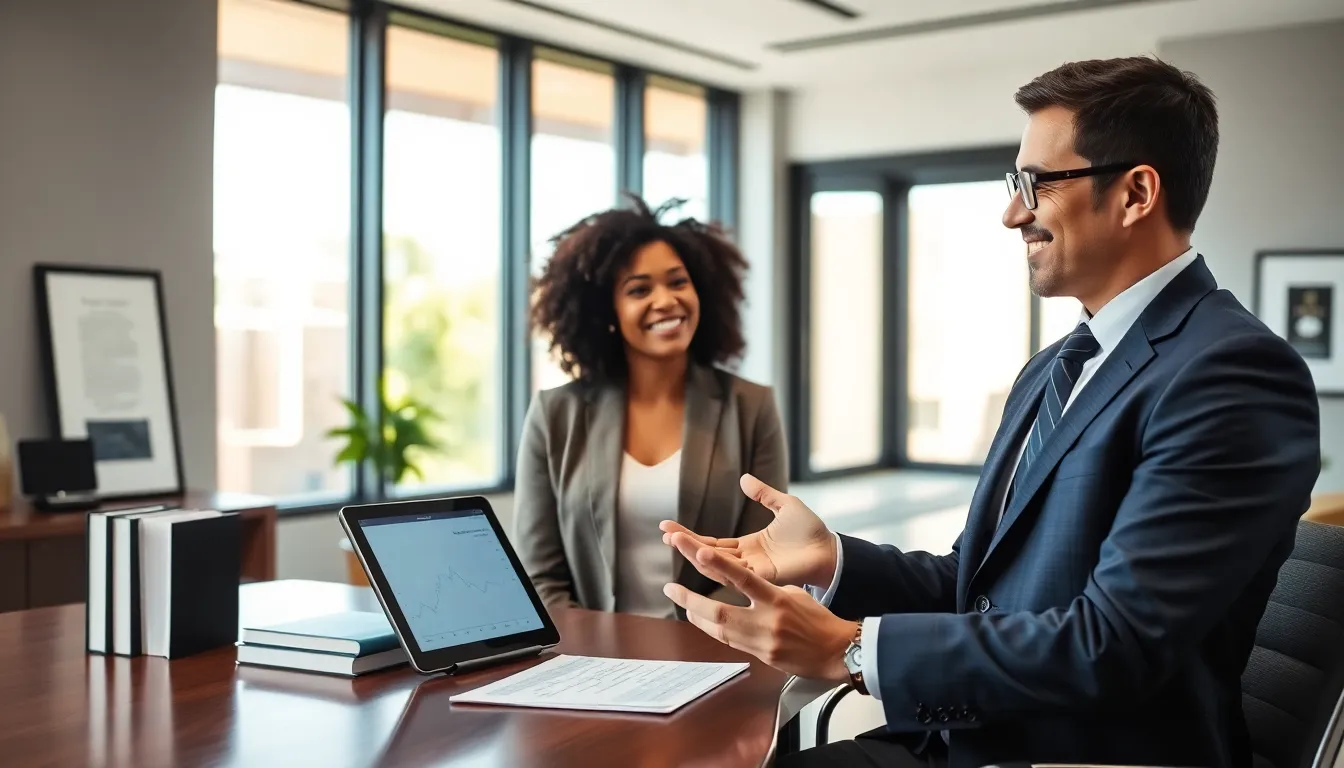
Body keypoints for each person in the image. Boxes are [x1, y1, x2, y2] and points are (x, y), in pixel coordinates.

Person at [660, 56, 1321, 768]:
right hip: (970, 739)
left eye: (1034, 184)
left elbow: (1115, 645)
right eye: (1015, 184)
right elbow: (974, 586)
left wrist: (849, 648)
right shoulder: (1053, 368)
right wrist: (834, 559)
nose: (1012, 213)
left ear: (1135, 193)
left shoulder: (1232, 373)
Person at [513, 195, 787, 619]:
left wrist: (691, 642)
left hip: (714, 650)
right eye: (639, 289)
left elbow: (763, 564)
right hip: (590, 658)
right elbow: (540, 575)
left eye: (678, 282)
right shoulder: (555, 415)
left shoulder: (751, 407)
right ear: (608, 311)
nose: (665, 301)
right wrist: (594, 653)